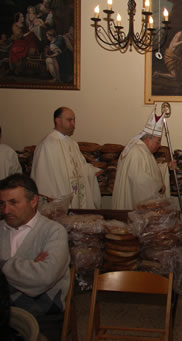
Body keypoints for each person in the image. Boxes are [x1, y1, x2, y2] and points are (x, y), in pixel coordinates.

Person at [0, 174, 70, 341]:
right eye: (2, 204)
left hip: (42, 314)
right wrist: (27, 267)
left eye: (13, 202)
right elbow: (34, 276)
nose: (6, 210)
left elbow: (43, 278)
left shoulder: (53, 231)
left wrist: (3, 268)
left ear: (33, 201)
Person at [31, 107, 102, 209]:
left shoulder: (72, 143)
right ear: (57, 121)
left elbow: (81, 167)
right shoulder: (47, 145)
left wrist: (92, 171)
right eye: (69, 120)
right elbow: (42, 175)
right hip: (59, 200)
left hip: (77, 196)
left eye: (74, 120)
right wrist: (50, 195)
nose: (73, 124)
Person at [112, 104, 177, 210]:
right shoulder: (136, 152)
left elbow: (149, 171)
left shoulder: (143, 151)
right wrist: (159, 186)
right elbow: (140, 182)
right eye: (158, 141)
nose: (159, 145)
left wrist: (167, 168)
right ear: (149, 138)